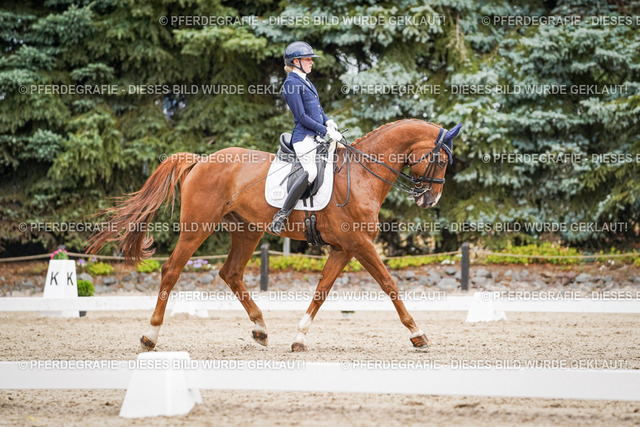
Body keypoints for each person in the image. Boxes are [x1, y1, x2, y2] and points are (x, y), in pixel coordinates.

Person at [270, 41, 343, 235]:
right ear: (296, 62)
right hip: (303, 138)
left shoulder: (305, 81)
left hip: (316, 136)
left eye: (311, 59)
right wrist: (324, 130)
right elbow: (301, 117)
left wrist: (328, 121)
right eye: (308, 59)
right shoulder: (291, 84)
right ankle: (281, 215)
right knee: (310, 172)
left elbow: (317, 109)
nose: (311, 62)